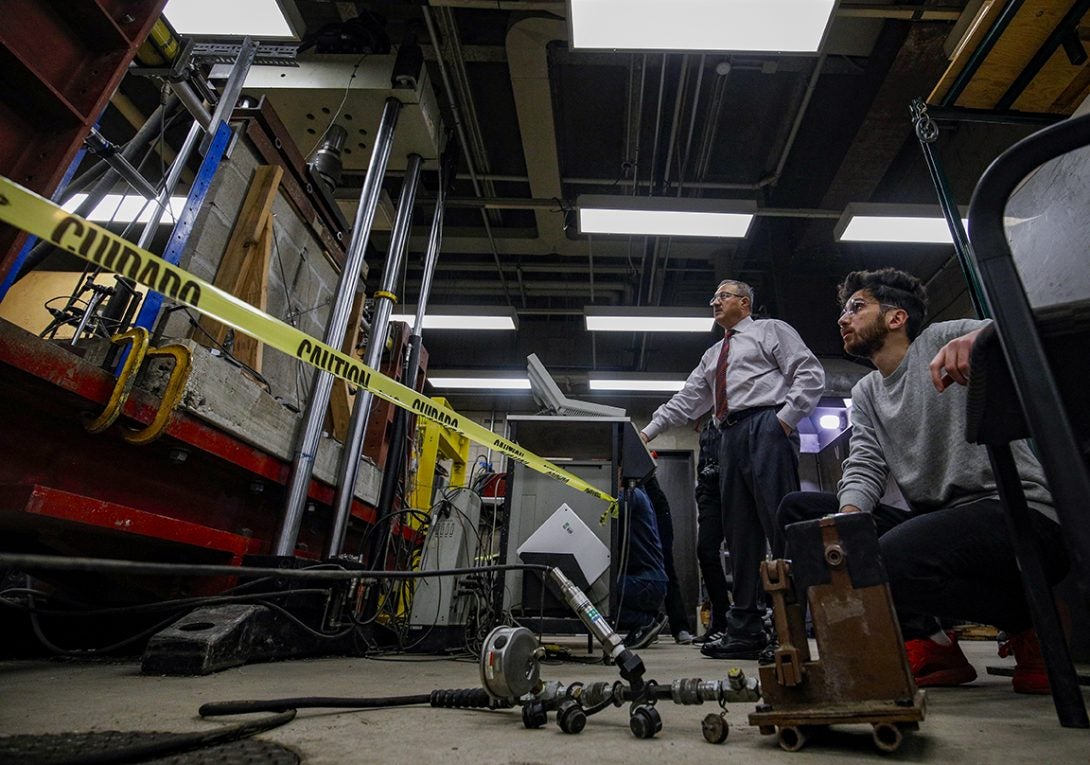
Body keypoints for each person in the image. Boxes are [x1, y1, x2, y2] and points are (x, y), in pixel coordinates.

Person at [777, 267, 1067, 694]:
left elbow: (1027, 326)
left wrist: (985, 338)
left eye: (856, 307)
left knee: (889, 557)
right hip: (943, 524)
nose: (843, 318)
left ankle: (1031, 623)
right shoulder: (867, 393)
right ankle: (934, 646)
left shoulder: (942, 339)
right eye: (844, 310)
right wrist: (847, 523)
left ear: (896, 318)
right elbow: (865, 464)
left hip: (1016, 512)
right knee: (803, 512)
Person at [640, 279, 825, 659]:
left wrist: (783, 421)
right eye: (713, 297)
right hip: (729, 435)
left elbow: (808, 372)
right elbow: (689, 398)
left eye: (722, 295)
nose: (715, 302)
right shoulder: (713, 356)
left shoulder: (769, 331)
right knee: (740, 538)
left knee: (781, 528)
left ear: (744, 302)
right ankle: (745, 629)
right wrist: (648, 430)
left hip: (767, 426)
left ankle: (790, 628)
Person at [641, 475, 695, 644]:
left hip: (656, 507)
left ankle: (680, 627)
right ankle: (647, 624)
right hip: (635, 507)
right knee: (640, 564)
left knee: (666, 566)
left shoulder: (639, 459)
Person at [615, 484, 669, 649]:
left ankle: (644, 621)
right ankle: (645, 619)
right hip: (648, 581)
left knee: (592, 595)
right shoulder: (636, 494)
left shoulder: (631, 496)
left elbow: (601, 509)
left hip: (646, 582)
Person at [692, 417, 730, 645]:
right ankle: (722, 621)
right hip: (711, 493)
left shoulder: (738, 415)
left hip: (735, 487)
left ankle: (751, 619)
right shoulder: (707, 425)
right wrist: (702, 494)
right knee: (706, 551)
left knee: (747, 552)